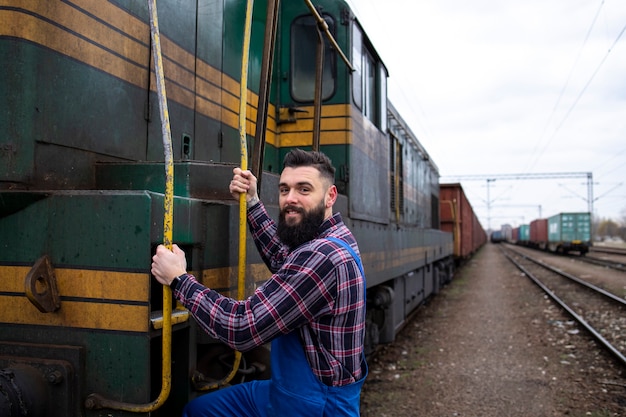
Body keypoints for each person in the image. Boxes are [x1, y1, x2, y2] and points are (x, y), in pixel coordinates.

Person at [151, 149, 367, 417]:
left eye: (304, 189)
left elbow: (242, 327)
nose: (290, 199)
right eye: (284, 189)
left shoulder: (323, 257)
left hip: (315, 406)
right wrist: (252, 201)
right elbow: (283, 260)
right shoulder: (334, 239)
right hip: (297, 393)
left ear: (330, 195)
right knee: (200, 410)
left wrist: (179, 280)